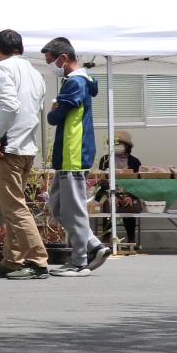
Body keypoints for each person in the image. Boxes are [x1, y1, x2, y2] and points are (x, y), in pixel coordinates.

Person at [42, 37, 109, 276]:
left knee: (74, 209)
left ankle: (79, 260)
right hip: (69, 155)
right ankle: (94, 245)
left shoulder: (75, 83)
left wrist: (54, 110)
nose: (50, 66)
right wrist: (56, 109)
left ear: (63, 58)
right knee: (59, 207)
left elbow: (55, 117)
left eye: (51, 61)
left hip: (73, 153)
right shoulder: (80, 81)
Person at [0, 27, 49, 279]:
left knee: (14, 207)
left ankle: (38, 258)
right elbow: (32, 107)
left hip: (7, 147)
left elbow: (10, 105)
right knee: (14, 204)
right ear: (21, 49)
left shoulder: (2, 69)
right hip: (27, 145)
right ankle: (12, 259)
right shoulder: (35, 73)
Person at [95, 130, 143, 250]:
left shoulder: (135, 162)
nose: (117, 146)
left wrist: (130, 196)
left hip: (128, 192)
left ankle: (131, 239)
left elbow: (137, 182)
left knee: (129, 206)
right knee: (109, 205)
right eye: (115, 143)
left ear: (127, 146)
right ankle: (106, 238)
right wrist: (113, 195)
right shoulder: (105, 160)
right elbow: (102, 181)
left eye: (120, 143)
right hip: (109, 193)